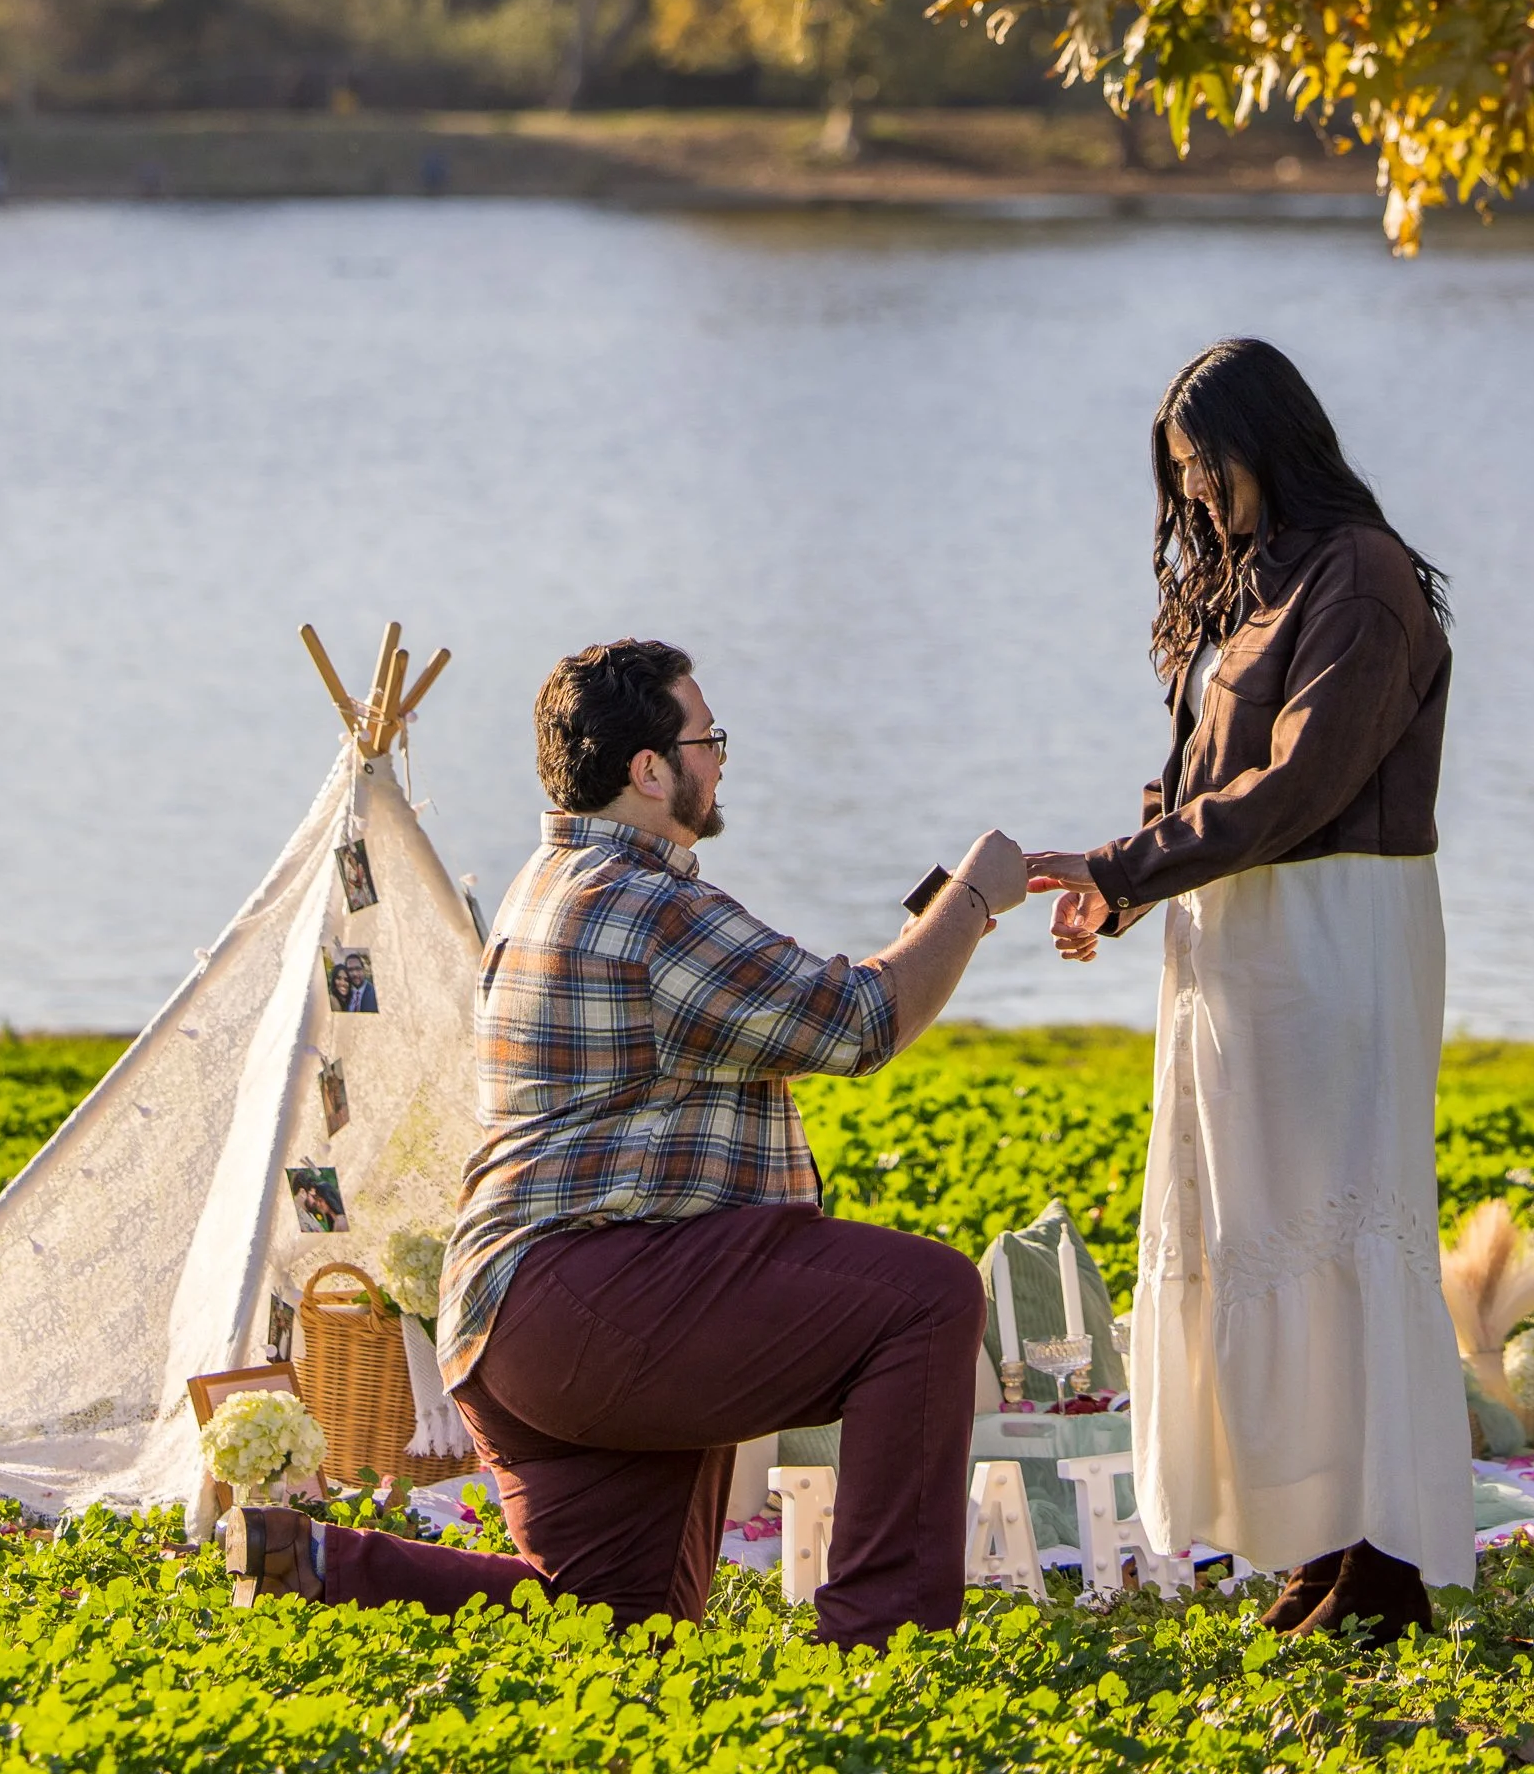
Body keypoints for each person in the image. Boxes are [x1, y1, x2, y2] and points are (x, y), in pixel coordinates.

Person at [226, 636, 1024, 1643]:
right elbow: (859, 1020)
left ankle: (325, 1562)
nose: (721, 759)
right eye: (707, 736)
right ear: (651, 769)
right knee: (926, 1297)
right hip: (595, 1301)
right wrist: (978, 896)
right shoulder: (649, 906)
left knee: (619, 1624)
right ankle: (882, 1645)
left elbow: (797, 1004)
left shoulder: (545, 884)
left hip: (506, 1329)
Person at [1025, 336, 1474, 1642]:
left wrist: (1124, 864)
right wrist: (1126, 883)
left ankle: (1386, 1559)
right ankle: (1320, 1530)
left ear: (1271, 444)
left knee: (1342, 1227)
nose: (1200, 496)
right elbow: (1200, 772)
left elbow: (1300, 785)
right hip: (1236, 942)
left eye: (1210, 466)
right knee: (1255, 1230)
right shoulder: (1246, 581)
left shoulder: (1363, 578)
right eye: (1182, 476)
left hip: (1339, 929)